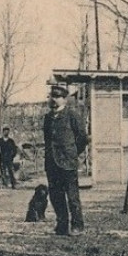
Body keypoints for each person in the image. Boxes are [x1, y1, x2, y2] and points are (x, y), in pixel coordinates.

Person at [42, 84, 88, 236]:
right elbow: (47, 140)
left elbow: (82, 138)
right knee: (56, 196)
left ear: (64, 99)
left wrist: (73, 152)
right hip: (52, 163)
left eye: (57, 97)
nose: (53, 100)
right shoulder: (48, 118)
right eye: (51, 97)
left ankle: (77, 225)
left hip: (68, 162)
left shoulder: (72, 115)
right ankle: (62, 225)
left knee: (72, 196)